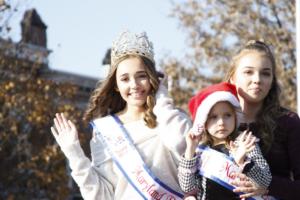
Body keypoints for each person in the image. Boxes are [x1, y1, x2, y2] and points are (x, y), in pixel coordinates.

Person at [51, 30, 192, 199]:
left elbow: (183, 148)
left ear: (153, 78)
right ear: (116, 85)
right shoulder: (105, 130)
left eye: (141, 76)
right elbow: (101, 196)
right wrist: (74, 153)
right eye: (125, 79)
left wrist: (162, 98)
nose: (134, 85)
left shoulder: (172, 118)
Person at [226, 40, 300, 199]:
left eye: (265, 73)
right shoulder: (214, 121)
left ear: (272, 80)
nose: (257, 79)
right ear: (232, 78)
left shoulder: (288, 122)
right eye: (248, 72)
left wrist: (267, 186)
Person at [178, 82, 271, 200]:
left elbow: (264, 181)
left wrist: (243, 161)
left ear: (236, 117)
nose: (221, 122)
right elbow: (187, 187)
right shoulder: (201, 150)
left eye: (227, 115)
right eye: (214, 117)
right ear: (204, 122)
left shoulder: (246, 143)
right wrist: (190, 150)